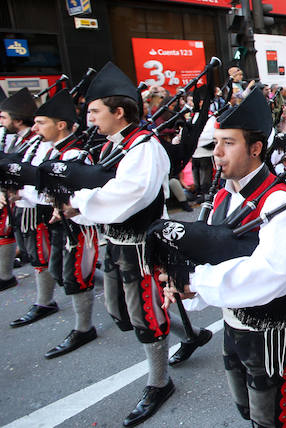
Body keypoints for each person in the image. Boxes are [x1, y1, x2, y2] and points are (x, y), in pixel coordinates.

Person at [155, 88, 286, 428]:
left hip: (270, 332)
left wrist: (196, 282)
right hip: (233, 321)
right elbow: (211, 253)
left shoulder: (278, 203)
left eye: (228, 143)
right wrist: (185, 283)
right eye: (216, 142)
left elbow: (274, 274)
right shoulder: (223, 196)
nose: (217, 152)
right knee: (248, 408)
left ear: (255, 148)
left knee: (270, 419)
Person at [64, 62, 174, 425]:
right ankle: (185, 333)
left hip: (140, 246)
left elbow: (129, 194)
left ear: (119, 112)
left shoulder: (143, 146)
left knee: (145, 314)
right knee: (122, 309)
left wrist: (79, 203)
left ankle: (160, 382)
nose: (90, 118)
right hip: (116, 241)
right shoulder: (115, 145)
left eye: (95, 111)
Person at [27, 91, 100, 359]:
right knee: (60, 270)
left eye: (41, 122)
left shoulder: (76, 154)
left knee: (76, 275)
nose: (35, 128)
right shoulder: (51, 150)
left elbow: (81, 192)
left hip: (77, 225)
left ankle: (84, 328)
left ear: (60, 125)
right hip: (59, 221)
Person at [0, 88, 37, 291]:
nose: (1, 122)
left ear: (18, 120)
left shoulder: (33, 141)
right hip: (17, 199)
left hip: (31, 202)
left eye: (4, 117)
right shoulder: (14, 138)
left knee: (43, 255)